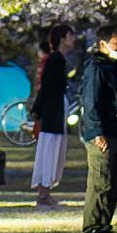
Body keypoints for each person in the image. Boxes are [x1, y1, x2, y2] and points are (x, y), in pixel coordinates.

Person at [77, 24, 117, 233]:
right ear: (102, 44)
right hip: (103, 134)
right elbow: (91, 102)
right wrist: (97, 132)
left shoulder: (111, 68)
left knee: (113, 182)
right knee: (101, 182)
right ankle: (94, 227)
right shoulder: (96, 68)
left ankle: (105, 225)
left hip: (116, 131)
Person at [29, 24, 76, 208]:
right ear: (62, 38)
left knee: (52, 147)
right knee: (50, 148)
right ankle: (43, 192)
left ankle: (45, 191)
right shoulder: (56, 60)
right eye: (70, 35)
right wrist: (39, 111)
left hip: (54, 108)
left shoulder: (57, 59)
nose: (73, 38)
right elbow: (47, 87)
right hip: (53, 109)